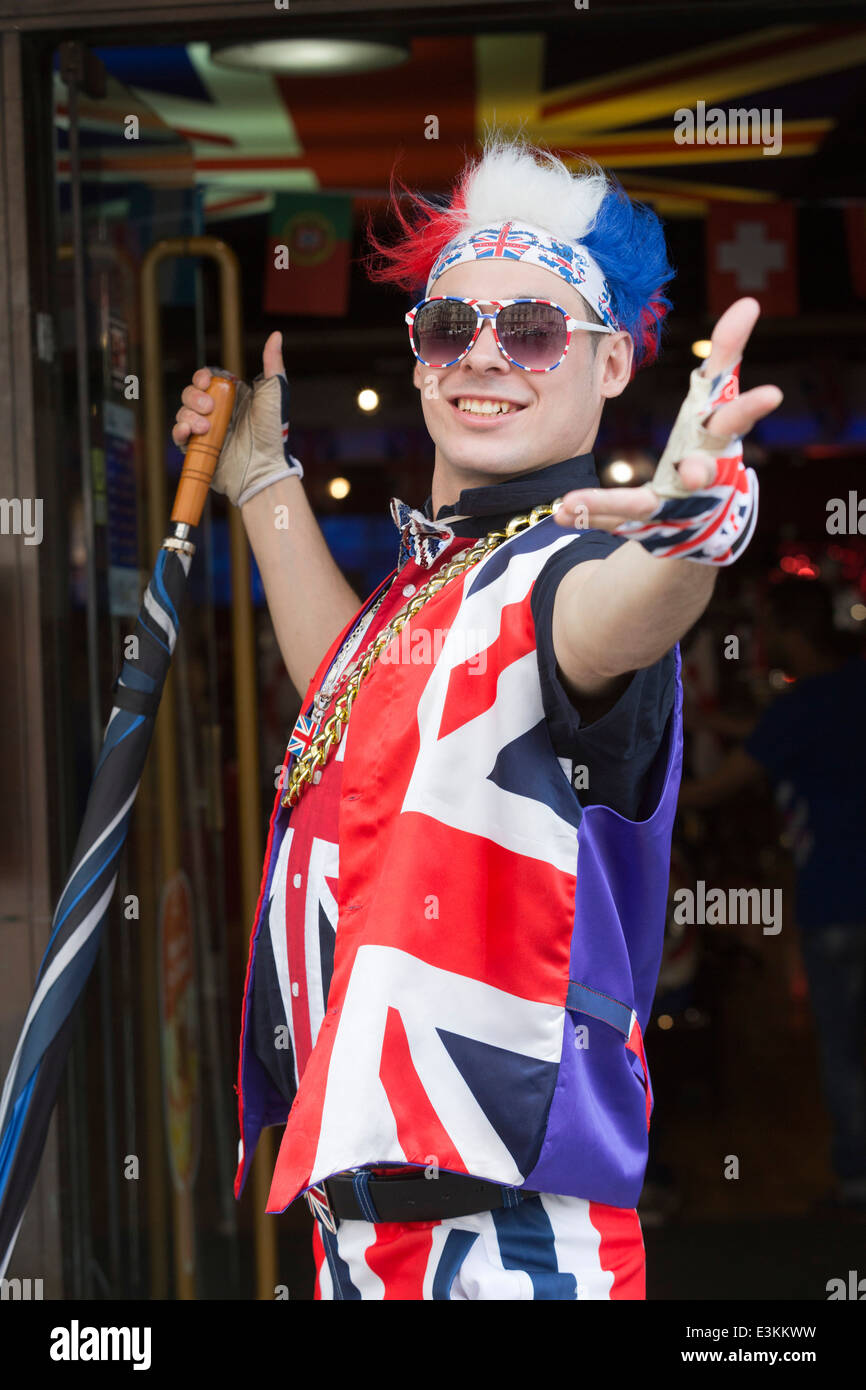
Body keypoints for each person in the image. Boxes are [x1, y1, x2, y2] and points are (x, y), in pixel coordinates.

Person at [172, 135, 781, 1299]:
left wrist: (692, 533)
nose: (484, 356)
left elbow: (620, 612)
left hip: (504, 1249)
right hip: (360, 1235)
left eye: (535, 330)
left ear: (609, 366)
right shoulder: (433, 587)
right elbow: (352, 694)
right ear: (417, 360)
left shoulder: (563, 571)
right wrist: (261, 479)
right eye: (452, 327)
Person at [679, 577, 866, 1213]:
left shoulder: (800, 709)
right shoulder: (846, 691)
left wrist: (625, 805)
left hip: (836, 905)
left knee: (842, 1047)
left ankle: (856, 1183)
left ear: (790, 632)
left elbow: (719, 787)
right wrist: (714, 721)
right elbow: (771, 736)